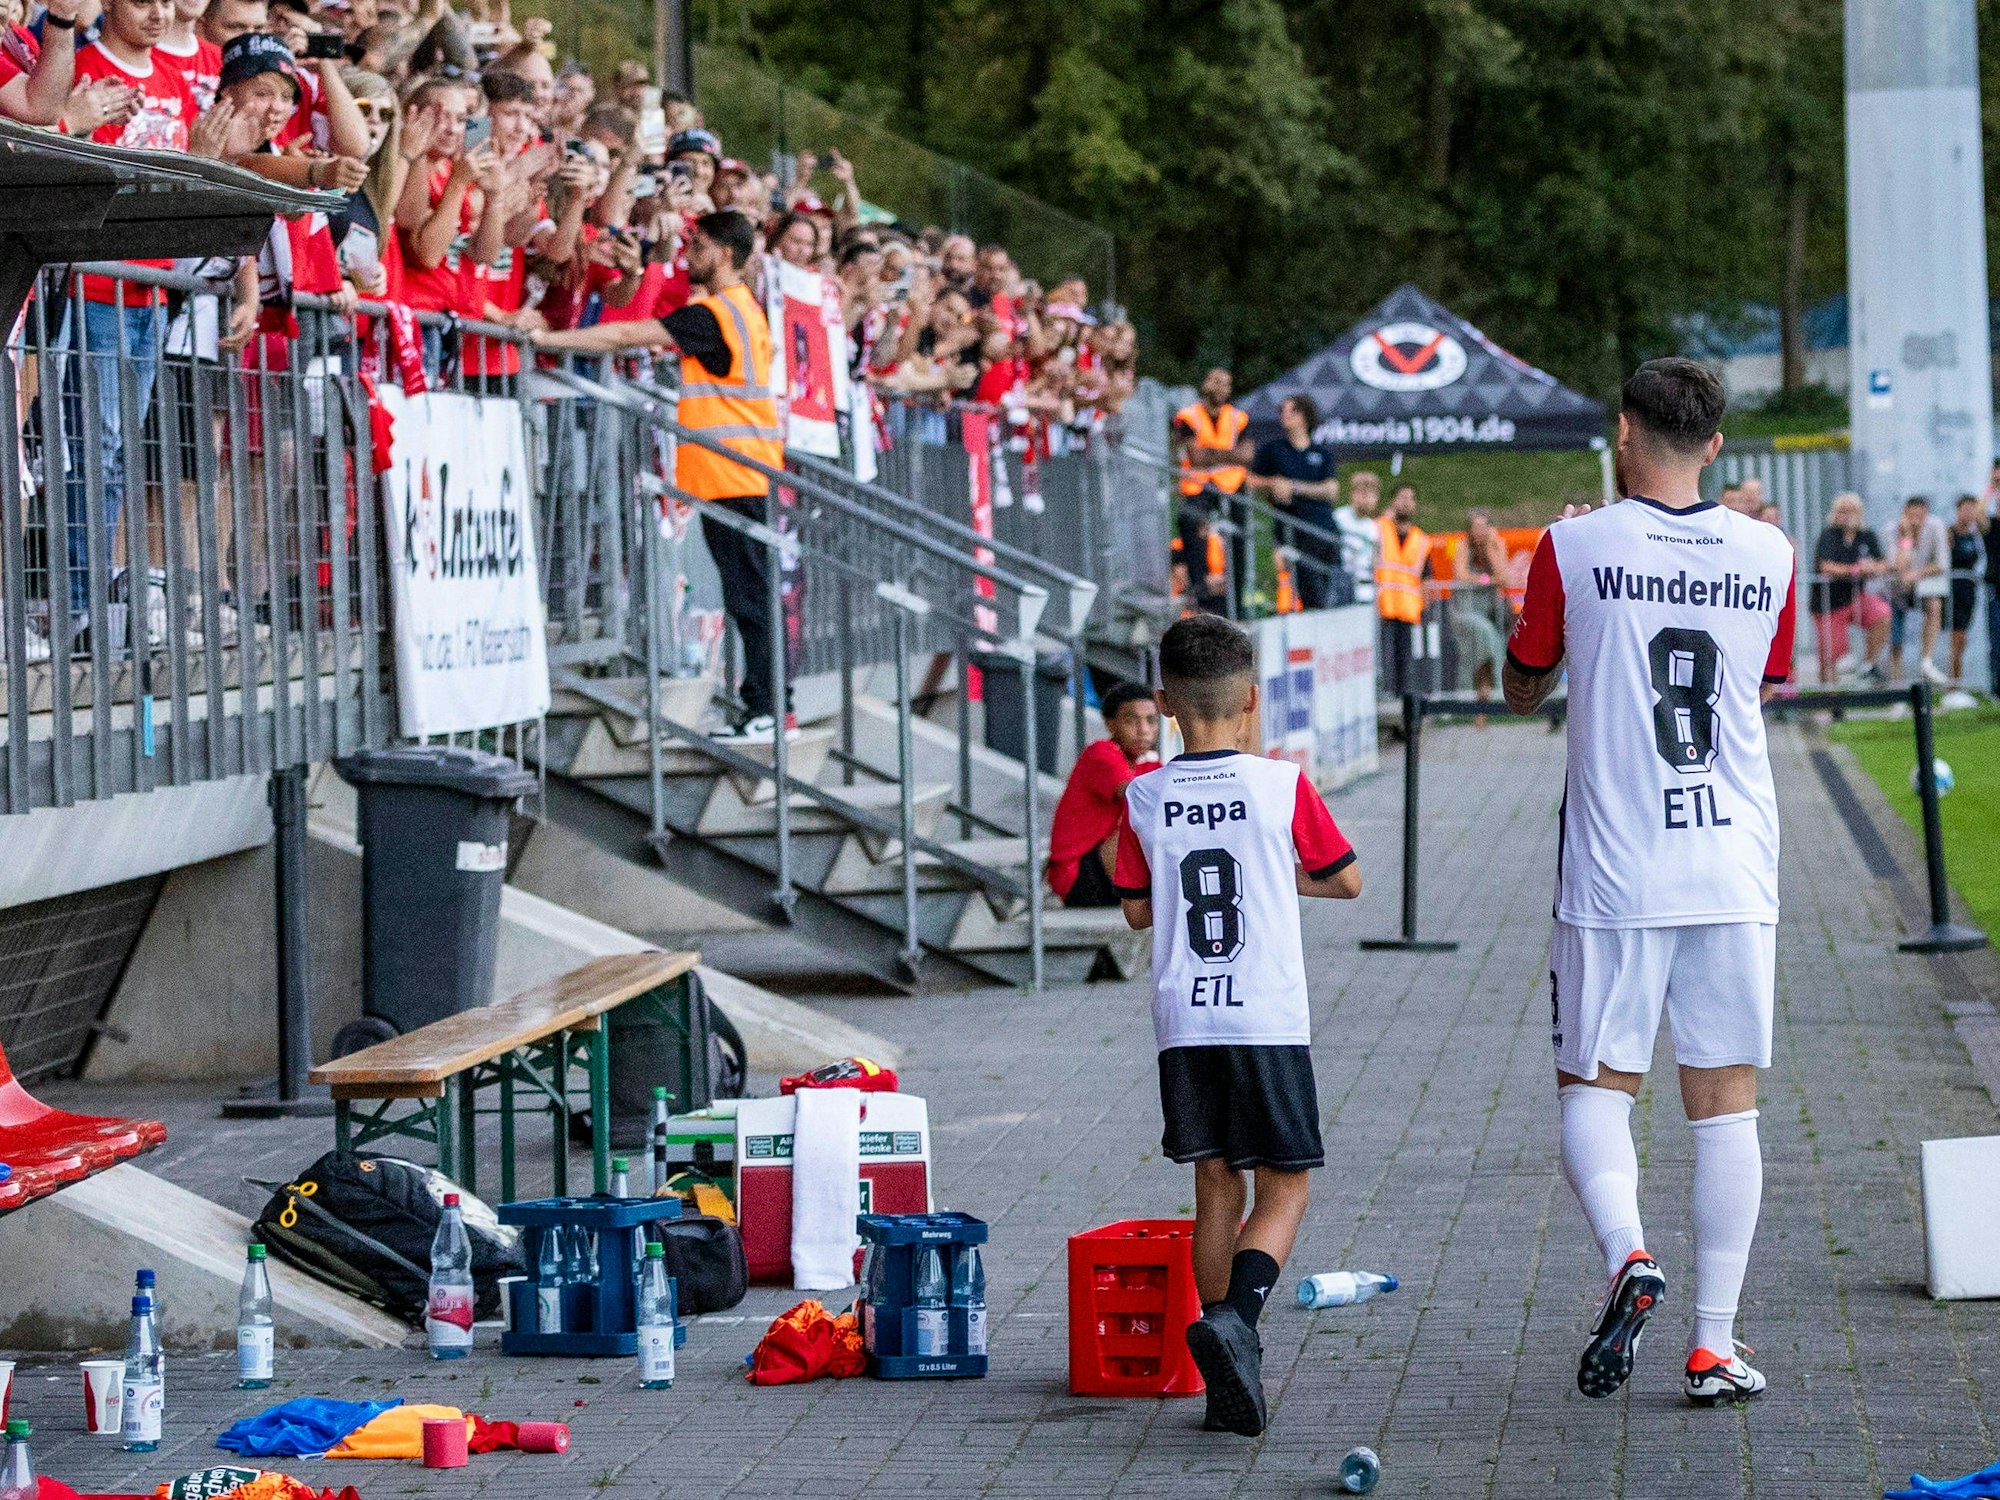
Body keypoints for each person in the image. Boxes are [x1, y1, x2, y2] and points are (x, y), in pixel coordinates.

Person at [1503, 357, 1797, 1409]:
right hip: (1729, 856)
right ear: (1714, 444)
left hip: (1616, 869)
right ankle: (1713, 1345)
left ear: (1622, 432)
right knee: (1724, 1104)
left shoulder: (1572, 544)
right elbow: (1763, 682)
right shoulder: (1768, 548)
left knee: (1594, 1084)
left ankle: (1628, 1258)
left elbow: (1520, 680)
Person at [1111, 613, 1360, 1437]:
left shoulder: (1142, 795)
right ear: (1251, 700)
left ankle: (1228, 1378)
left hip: (1185, 1015)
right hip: (1265, 1011)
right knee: (1285, 1183)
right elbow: (1346, 879)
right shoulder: (1281, 785)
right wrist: (1273, 881)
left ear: (1165, 704)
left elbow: (1140, 911)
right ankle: (1237, 1324)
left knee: (1214, 1181)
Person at [534, 212, 789, 737]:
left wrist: (551, 341)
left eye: (696, 244)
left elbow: (625, 333)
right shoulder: (744, 309)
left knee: (748, 597)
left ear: (721, 253)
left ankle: (767, 708)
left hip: (731, 474)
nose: (687, 252)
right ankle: (768, 705)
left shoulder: (715, 312)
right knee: (753, 595)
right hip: (745, 471)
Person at [1045, 682, 1159, 908]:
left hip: (1106, 871)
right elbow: (1134, 796)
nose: (1143, 730)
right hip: (1076, 875)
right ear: (1110, 724)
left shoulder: (1147, 764)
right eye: (1131, 720)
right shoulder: (1101, 753)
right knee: (1140, 824)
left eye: (1151, 721)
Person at [1246, 394, 1343, 609]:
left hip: (1324, 527)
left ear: (1304, 416)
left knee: (1334, 589)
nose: (1285, 415)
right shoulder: (1274, 450)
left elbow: (1331, 490)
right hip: (1294, 531)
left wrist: (1294, 486)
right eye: (1283, 410)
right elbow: (1250, 479)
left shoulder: (1322, 453)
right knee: (1311, 593)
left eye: (1292, 411)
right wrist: (1273, 483)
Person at [1172, 368, 1251, 616]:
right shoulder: (1188, 416)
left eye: (1226, 384)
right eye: (1216, 381)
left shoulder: (1238, 417)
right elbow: (1195, 457)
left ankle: (1236, 602)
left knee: (1238, 542)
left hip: (1231, 486)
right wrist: (1229, 455)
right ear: (1205, 383)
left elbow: (1247, 455)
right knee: (1190, 523)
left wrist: (1211, 454)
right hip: (1199, 487)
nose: (1221, 388)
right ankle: (1200, 590)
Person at [1809, 492, 1889, 685]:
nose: (1847, 515)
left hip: (1856, 597)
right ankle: (1831, 700)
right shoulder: (1829, 535)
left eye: (1852, 510)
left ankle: (1868, 664)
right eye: (1843, 511)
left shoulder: (1867, 535)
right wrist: (1855, 570)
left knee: (1882, 614)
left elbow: (1883, 563)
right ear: (1835, 513)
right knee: (1831, 655)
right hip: (1829, 603)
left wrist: (1873, 568)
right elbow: (1826, 566)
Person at [1374, 483, 1431, 695]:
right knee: (1384, 661)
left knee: (1405, 667)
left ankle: (1401, 700)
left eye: (1410, 498)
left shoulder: (1421, 539)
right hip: (1383, 608)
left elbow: (1426, 576)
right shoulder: (1380, 528)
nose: (1405, 502)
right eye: (1401, 497)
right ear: (1393, 501)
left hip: (1408, 612)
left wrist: (1425, 606)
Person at [1891, 495, 1950, 684]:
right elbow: (1897, 566)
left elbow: (1942, 564)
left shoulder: (1936, 527)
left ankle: (1926, 661)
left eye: (1920, 515)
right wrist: (1907, 538)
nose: (1916, 520)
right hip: (1894, 591)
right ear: (1905, 513)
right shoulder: (1892, 530)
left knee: (1934, 606)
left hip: (1922, 587)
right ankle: (1897, 688)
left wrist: (1915, 575)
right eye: (1912, 515)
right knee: (1896, 639)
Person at [1947, 494, 1985, 686]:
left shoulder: (1976, 535)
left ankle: (1956, 682)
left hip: (1969, 589)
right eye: (1966, 509)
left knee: (1962, 638)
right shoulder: (1949, 534)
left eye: (1973, 509)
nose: (1969, 513)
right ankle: (1952, 684)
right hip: (1953, 587)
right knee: (1956, 636)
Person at [1332, 468, 1379, 610]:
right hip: (1340, 583)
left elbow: (1374, 559)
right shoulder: (1339, 517)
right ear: (1353, 494)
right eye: (1362, 493)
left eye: (1371, 495)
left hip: (1366, 588)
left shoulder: (1373, 528)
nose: (1366, 499)